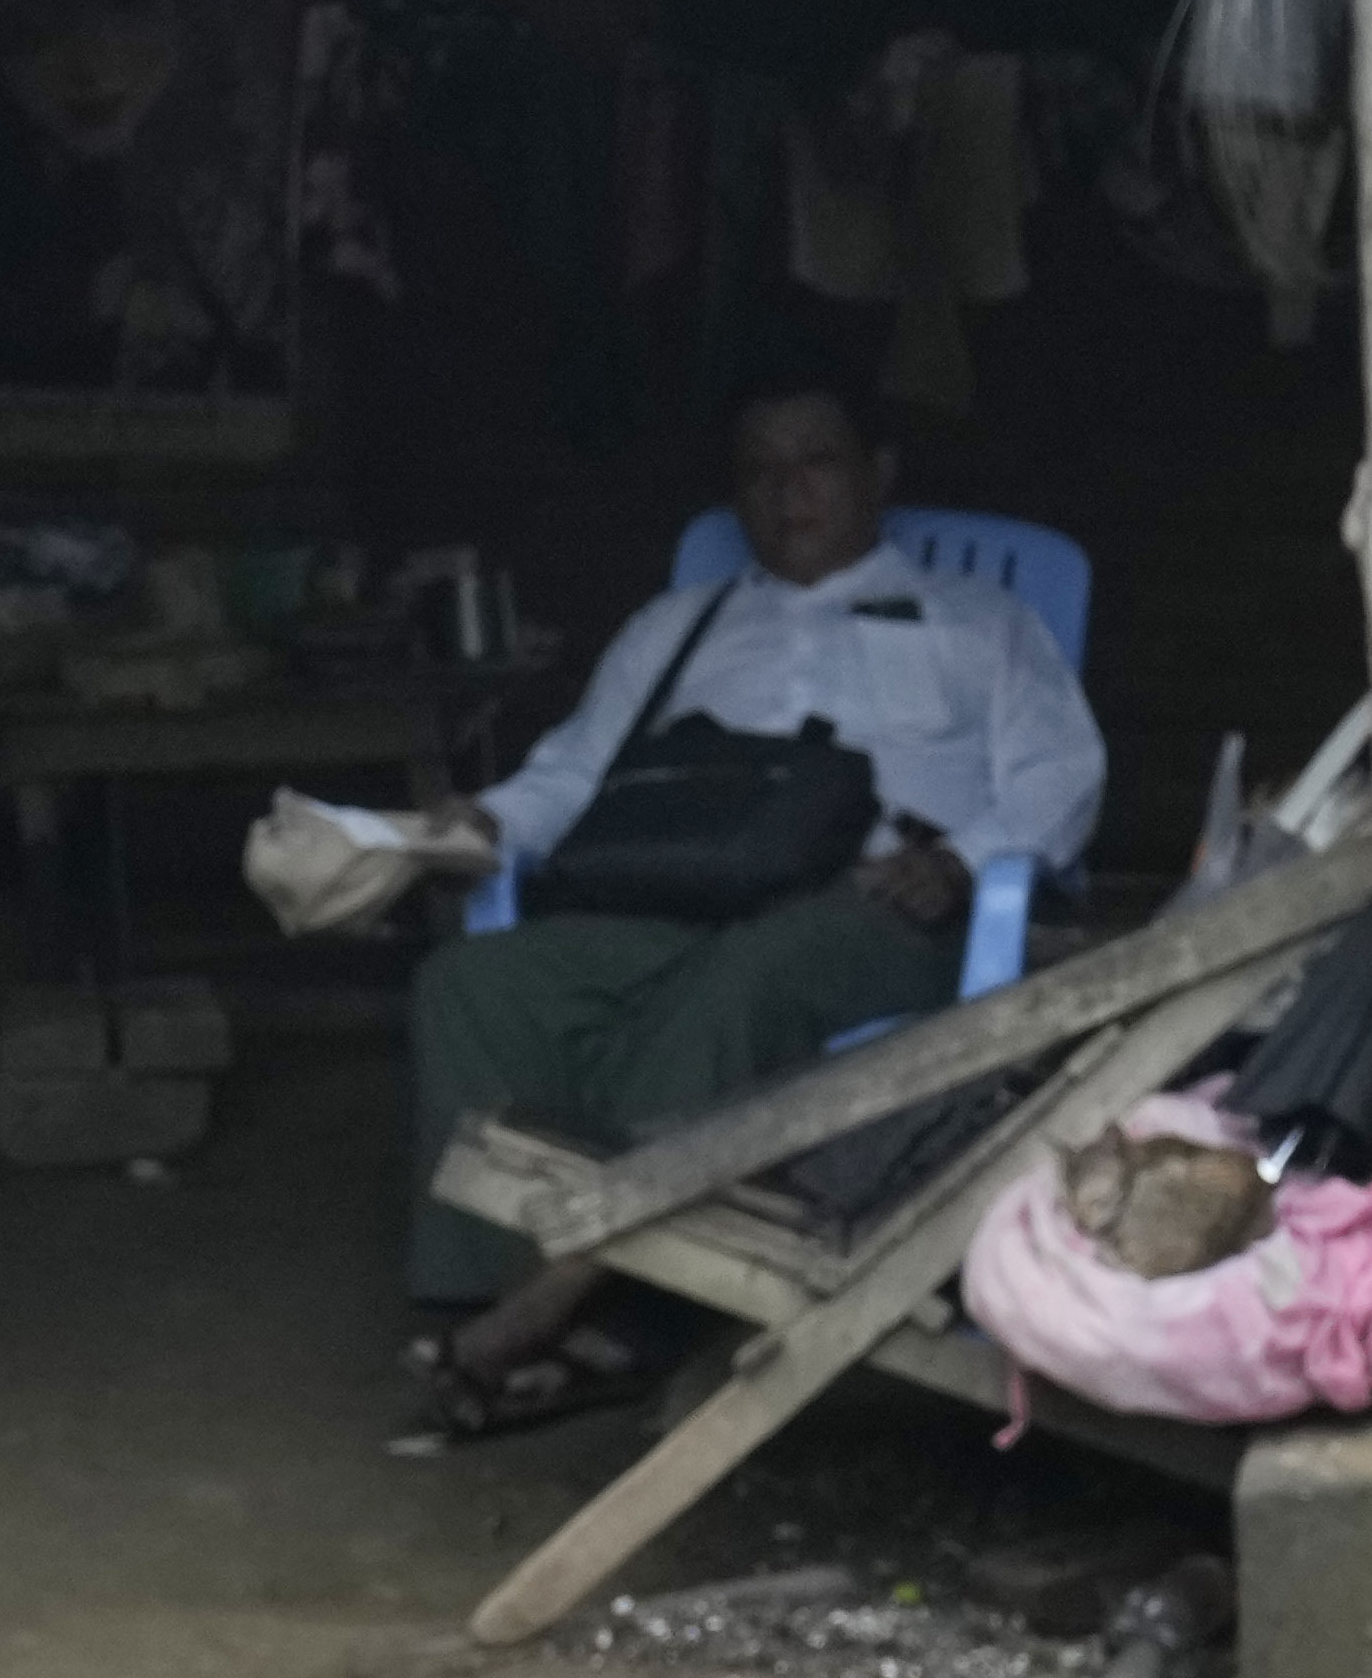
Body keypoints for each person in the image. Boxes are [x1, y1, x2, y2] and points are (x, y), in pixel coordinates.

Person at [396, 379, 1103, 1430]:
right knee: (476, 978)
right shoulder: (678, 625)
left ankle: (592, 1309)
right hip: (678, 899)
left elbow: (1062, 776)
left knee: (747, 981)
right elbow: (570, 773)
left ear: (879, 473)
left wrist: (964, 857)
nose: (787, 493)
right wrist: (484, 820)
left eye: (814, 462)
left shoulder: (976, 621)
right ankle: (518, 1290)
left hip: (874, 907)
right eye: (760, 473)